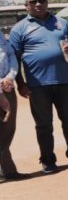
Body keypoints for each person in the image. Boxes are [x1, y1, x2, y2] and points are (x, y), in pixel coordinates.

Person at [9, 0, 68, 174]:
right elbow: (15, 59)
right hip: (37, 86)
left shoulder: (62, 24)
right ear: (26, 6)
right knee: (44, 125)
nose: (38, 4)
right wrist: (20, 83)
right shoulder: (20, 28)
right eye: (33, 2)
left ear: (47, 2)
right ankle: (48, 161)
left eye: (41, 0)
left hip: (64, 82)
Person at [0, 33, 24, 182]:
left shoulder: (0, 35)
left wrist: (10, 76)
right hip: (1, 88)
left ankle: (8, 170)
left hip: (7, 86)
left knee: (8, 129)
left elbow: (11, 56)